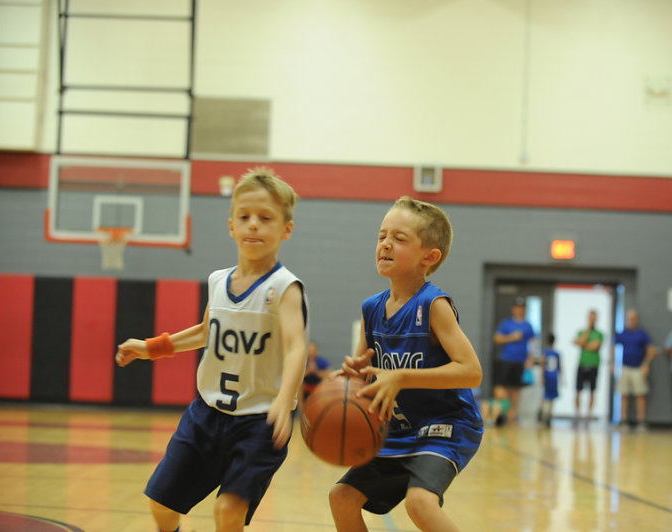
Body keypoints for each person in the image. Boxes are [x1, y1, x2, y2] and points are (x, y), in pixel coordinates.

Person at [115, 168, 309, 532]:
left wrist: (285, 400)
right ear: (231, 226)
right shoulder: (218, 280)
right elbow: (207, 331)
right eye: (244, 217)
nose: (253, 224)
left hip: (259, 421)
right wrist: (151, 348)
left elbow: (296, 346)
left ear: (286, 229)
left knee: (228, 512)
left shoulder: (285, 287)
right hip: (206, 414)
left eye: (265, 218)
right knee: (161, 503)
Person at [330, 196, 483, 532]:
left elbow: (472, 372)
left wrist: (401, 377)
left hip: (443, 427)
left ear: (429, 257)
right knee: (341, 497)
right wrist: (350, 380)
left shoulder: (433, 305)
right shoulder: (371, 308)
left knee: (419, 503)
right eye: (382, 236)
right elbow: (364, 374)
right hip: (397, 431)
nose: (385, 244)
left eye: (399, 239)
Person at [493, 297, 537, 424]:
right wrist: (512, 337)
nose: (519, 310)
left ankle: (512, 415)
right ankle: (502, 413)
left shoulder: (527, 325)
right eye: (517, 307)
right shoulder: (506, 323)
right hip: (507, 360)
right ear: (513, 309)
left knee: (516, 389)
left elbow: (534, 342)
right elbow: (497, 339)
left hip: (520, 361)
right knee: (502, 388)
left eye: (522, 308)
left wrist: (530, 358)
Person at [612, 309, 657, 431]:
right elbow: (613, 347)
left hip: (638, 368)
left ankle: (641, 421)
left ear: (636, 320)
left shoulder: (642, 334)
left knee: (640, 394)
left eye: (633, 318)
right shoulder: (622, 334)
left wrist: (646, 364)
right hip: (625, 367)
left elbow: (651, 350)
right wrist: (613, 363)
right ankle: (623, 421)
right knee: (623, 394)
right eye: (628, 318)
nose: (630, 321)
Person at [573, 309, 603, 425]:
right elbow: (580, 341)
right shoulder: (582, 331)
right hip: (582, 364)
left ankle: (588, 415)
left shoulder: (600, 334)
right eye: (590, 318)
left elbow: (595, 346)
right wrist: (588, 331)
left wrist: (583, 344)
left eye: (594, 319)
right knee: (578, 390)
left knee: (592, 391)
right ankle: (577, 415)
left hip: (594, 365)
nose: (592, 320)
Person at [539, 333, 561, 428]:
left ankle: (544, 412)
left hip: (548, 376)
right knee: (551, 397)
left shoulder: (545, 352)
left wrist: (542, 376)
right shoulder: (556, 353)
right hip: (554, 377)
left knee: (546, 395)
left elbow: (542, 364)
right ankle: (548, 414)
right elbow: (560, 367)